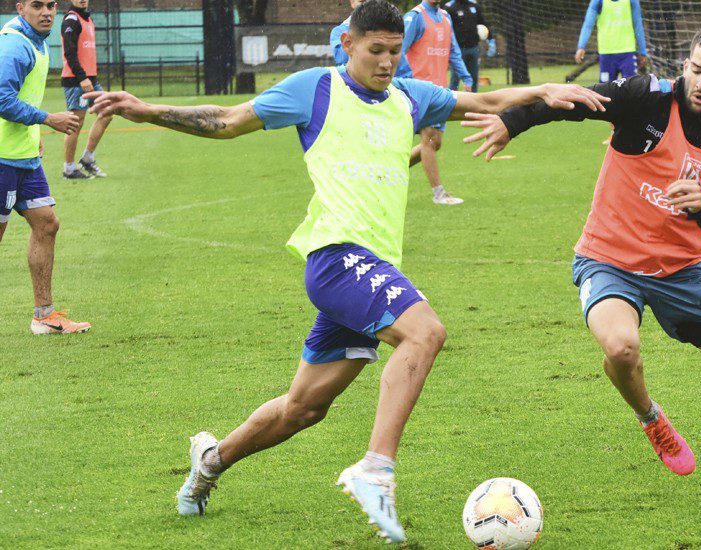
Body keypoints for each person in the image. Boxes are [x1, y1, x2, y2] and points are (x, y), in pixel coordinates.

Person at [86, 0, 608, 542]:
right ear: (348, 45)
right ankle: (375, 470)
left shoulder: (410, 96)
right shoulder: (315, 89)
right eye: (375, 50)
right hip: (336, 258)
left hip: (371, 270)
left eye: (394, 51)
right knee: (425, 333)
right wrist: (146, 110)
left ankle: (210, 462)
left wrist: (542, 93)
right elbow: (228, 120)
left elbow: (486, 99)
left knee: (303, 408)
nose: (386, 61)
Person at [462, 24, 701, 483]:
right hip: (608, 259)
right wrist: (511, 122)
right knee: (621, 348)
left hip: (682, 271)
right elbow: (573, 101)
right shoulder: (647, 97)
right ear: (686, 65)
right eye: (696, 70)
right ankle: (652, 419)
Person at [1, 1, 90, 334]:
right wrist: (47, 119)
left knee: (47, 223)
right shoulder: (14, 44)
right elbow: (1, 98)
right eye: (37, 5)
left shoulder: (37, 41)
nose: (47, 12)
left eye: (51, 4)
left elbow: (22, 96)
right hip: (2, 158)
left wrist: (33, 133)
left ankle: (44, 317)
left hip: (22, 156)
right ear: (21, 7)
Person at [399, 0, 474, 205]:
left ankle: (385, 172)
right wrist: (406, 81)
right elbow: (398, 51)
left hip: (439, 90)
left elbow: (453, 51)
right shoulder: (414, 18)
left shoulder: (446, 17)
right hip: (418, 91)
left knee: (434, 143)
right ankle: (439, 194)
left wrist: (465, 77)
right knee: (430, 139)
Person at [60, 0, 110, 179]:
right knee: (75, 123)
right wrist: (82, 78)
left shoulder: (87, 19)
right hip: (76, 81)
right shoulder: (71, 20)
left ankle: (87, 158)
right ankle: (69, 168)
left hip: (90, 80)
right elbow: (70, 53)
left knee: (107, 111)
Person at [575, 0, 648, 84]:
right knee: (605, 92)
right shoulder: (598, 2)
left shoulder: (632, 1)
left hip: (627, 54)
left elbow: (637, 25)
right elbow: (588, 25)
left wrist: (642, 51)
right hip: (606, 55)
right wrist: (581, 46)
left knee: (632, 89)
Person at [443, 0, 496, 92]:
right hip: (458, 50)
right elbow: (445, 28)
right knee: (455, 77)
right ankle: (451, 101)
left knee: (474, 77)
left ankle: (473, 99)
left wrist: (491, 40)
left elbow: (483, 23)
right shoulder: (450, 7)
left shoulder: (474, 5)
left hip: (474, 48)